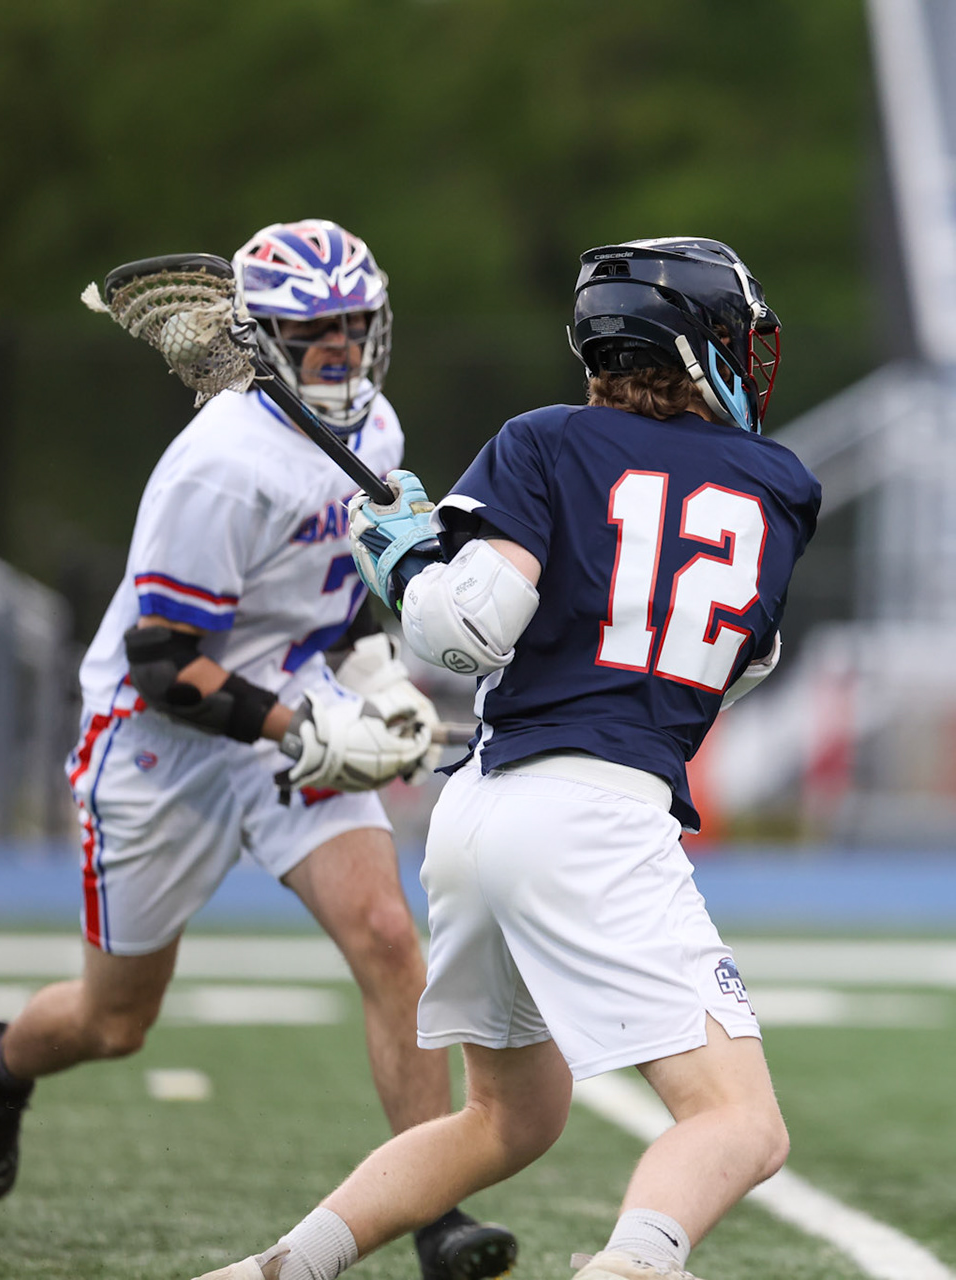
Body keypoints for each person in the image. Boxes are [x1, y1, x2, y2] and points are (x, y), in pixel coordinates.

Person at [188, 235, 820, 1280]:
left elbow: (463, 633)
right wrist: (434, 572)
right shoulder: (781, 486)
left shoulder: (547, 440)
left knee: (508, 1115)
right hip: (597, 816)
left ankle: (278, 1268)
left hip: (479, 812)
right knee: (742, 1124)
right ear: (706, 346)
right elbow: (734, 661)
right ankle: (630, 1267)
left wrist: (408, 562)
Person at [0, 219, 517, 1280]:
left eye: (354, 323)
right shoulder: (217, 466)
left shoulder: (375, 433)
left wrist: (376, 681)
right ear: (261, 341)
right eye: (313, 331)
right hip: (161, 740)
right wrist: (303, 728)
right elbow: (167, 661)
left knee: (393, 944)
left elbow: (339, 604)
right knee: (116, 1019)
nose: (341, 350)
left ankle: (433, 1209)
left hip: (281, 700)